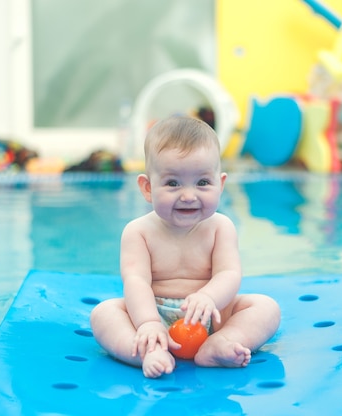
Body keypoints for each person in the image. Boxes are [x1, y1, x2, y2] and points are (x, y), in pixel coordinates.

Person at [90, 115, 281, 378]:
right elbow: (136, 282)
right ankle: (149, 350)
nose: (189, 195)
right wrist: (148, 323)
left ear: (220, 184)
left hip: (212, 316)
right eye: (172, 183)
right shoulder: (138, 232)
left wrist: (208, 297)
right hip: (153, 314)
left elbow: (229, 273)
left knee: (266, 307)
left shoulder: (220, 227)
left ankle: (221, 343)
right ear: (147, 188)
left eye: (202, 182)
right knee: (104, 313)